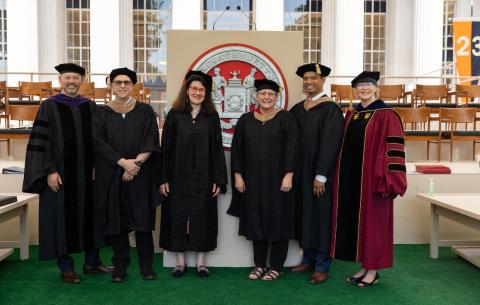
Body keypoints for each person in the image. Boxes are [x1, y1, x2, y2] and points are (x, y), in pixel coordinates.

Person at [22, 63, 112, 284]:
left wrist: (96, 166)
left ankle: (92, 263)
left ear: (82, 81)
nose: (72, 81)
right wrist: (49, 170)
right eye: (67, 78)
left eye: (76, 78)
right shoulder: (49, 106)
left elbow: (98, 141)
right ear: (60, 81)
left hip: (88, 175)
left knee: (91, 216)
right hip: (60, 175)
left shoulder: (90, 106)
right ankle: (66, 267)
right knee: (61, 218)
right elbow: (41, 142)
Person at [330, 71, 407, 288]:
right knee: (359, 225)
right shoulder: (352, 115)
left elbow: (394, 150)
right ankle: (364, 266)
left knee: (374, 226)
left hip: (375, 182)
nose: (364, 89)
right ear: (355, 90)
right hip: (352, 182)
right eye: (360, 86)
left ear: (375, 88)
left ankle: (373, 271)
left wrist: (388, 181)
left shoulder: (387, 114)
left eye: (368, 85)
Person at [92, 67, 161, 282]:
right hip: (111, 175)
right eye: (118, 82)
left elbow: (151, 141)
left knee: (142, 224)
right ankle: (120, 267)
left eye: (127, 82)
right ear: (111, 85)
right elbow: (97, 142)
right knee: (117, 224)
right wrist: (123, 164)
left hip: (140, 176)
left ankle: (146, 267)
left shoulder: (145, 111)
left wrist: (135, 165)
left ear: (133, 86)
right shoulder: (100, 112)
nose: (122, 86)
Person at [227, 79, 298, 281]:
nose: (266, 97)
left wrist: (289, 174)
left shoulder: (286, 118)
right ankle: (259, 265)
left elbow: (293, 148)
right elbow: (237, 150)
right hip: (253, 181)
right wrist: (238, 176)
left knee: (278, 221)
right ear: (255, 96)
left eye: (271, 94)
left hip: (278, 181)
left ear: (277, 97)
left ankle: (276, 266)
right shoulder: (246, 120)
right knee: (256, 221)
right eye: (263, 94)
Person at [159, 70, 227, 278]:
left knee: (203, 216)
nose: (197, 92)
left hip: (204, 177)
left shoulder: (211, 116)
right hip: (178, 175)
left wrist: (218, 178)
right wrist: (163, 178)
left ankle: (201, 263)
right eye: (194, 89)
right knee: (177, 215)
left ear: (206, 93)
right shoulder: (175, 114)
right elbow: (166, 149)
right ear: (187, 91)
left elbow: (217, 149)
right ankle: (179, 262)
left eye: (201, 90)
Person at [289, 63, 344, 284]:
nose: (309, 82)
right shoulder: (298, 109)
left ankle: (322, 265)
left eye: (313, 78)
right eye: (305, 79)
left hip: (319, 176)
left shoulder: (330, 109)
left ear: (323, 81)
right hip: (301, 173)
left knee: (320, 217)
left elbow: (331, 144)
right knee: (305, 215)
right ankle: (309, 258)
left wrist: (321, 174)